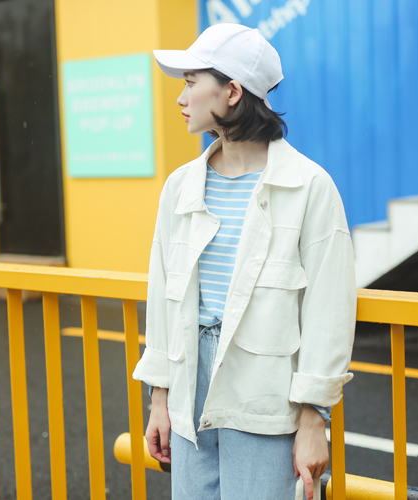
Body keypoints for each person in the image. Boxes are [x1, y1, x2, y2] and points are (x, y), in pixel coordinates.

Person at [132, 23, 356, 500]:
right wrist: (159, 399)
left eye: (191, 82)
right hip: (189, 392)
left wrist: (314, 419)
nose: (181, 98)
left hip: (265, 396)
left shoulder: (309, 187)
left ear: (232, 92)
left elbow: (329, 313)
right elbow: (164, 295)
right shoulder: (180, 186)